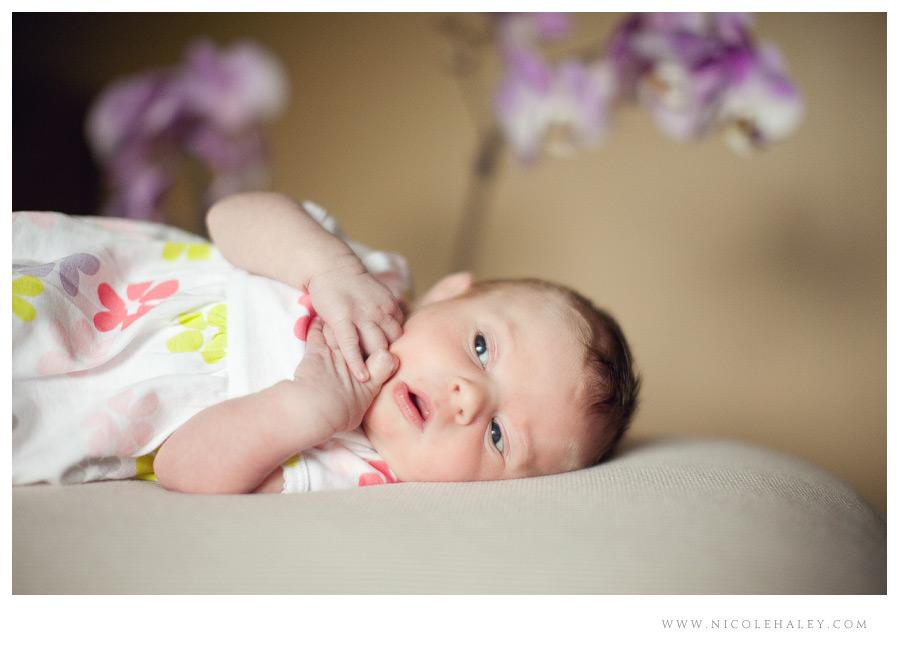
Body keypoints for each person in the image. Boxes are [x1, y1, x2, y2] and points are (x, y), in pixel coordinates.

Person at [12, 193, 639, 494]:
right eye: (481, 348)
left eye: (500, 436)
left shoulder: (351, 471)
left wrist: (303, 410)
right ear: (447, 293)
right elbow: (229, 218)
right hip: (83, 281)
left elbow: (184, 467)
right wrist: (327, 267)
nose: (468, 398)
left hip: (53, 401)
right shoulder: (366, 280)